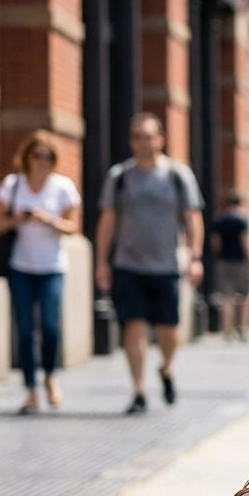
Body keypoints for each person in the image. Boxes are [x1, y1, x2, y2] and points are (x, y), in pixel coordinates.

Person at [94, 112, 205, 414]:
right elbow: (107, 220)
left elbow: (193, 218)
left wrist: (195, 257)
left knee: (169, 331)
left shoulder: (177, 175)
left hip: (166, 266)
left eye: (147, 136)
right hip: (128, 264)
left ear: (161, 139)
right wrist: (101, 263)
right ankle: (139, 390)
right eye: (136, 136)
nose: (141, 142)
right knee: (134, 327)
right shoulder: (120, 176)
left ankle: (166, 369)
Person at [0, 130, 82, 414]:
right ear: (27, 157)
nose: (42, 161)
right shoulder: (12, 185)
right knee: (26, 330)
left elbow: (72, 227)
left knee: (51, 327)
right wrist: (17, 219)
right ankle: (31, 390)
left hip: (52, 267)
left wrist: (48, 220)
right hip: (20, 266)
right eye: (37, 155)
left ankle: (51, 376)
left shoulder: (62, 187)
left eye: (47, 156)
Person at [210, 191, 249, 341]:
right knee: (243, 296)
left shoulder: (219, 219)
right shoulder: (242, 219)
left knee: (226, 297)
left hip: (224, 260)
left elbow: (216, 242)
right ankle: (242, 328)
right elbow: (245, 241)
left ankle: (227, 330)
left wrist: (219, 256)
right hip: (240, 261)